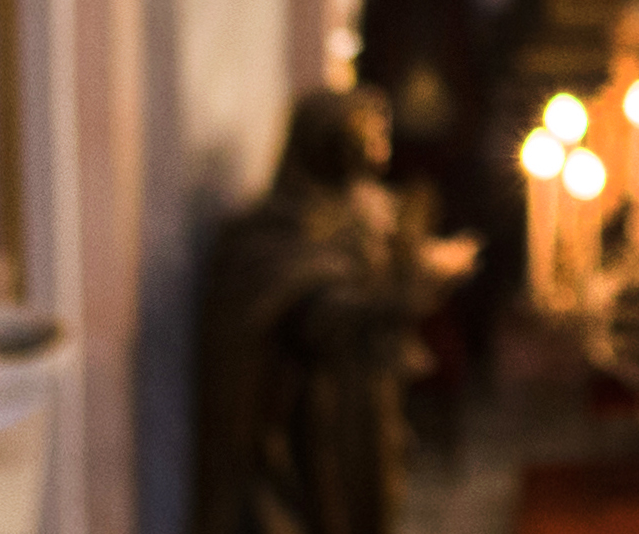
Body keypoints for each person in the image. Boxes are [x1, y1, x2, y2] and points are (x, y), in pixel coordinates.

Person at [193, 90, 479, 534]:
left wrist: (419, 266)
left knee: (365, 504)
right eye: (363, 138)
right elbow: (318, 317)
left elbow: (374, 279)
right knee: (318, 512)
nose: (375, 151)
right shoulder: (276, 231)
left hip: (359, 401)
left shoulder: (362, 216)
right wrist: (406, 292)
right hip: (306, 418)